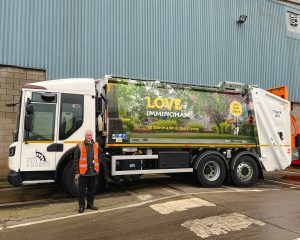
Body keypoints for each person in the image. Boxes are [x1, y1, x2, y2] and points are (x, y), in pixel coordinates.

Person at [74, 130, 100, 213]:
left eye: (90, 135)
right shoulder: (80, 145)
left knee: (91, 190)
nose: (89, 136)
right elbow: (75, 160)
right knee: (81, 191)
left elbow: (97, 158)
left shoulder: (96, 145)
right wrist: (77, 172)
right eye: (88, 135)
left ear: (92, 136)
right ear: (85, 136)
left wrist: (97, 168)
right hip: (83, 172)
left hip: (93, 172)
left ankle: (90, 204)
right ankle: (81, 206)